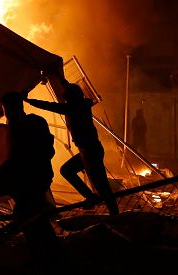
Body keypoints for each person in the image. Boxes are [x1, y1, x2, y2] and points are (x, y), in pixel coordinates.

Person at [0, 92, 61, 272]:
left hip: (27, 180)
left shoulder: (18, 128)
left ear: (7, 108)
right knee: (32, 215)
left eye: (5, 108)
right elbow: (49, 151)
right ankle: (47, 258)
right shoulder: (37, 122)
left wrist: (0, 171)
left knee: (29, 215)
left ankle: (49, 261)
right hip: (39, 178)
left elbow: (20, 159)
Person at [25, 80, 120, 216]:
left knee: (101, 186)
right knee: (68, 171)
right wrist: (60, 79)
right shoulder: (84, 103)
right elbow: (68, 93)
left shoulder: (72, 108)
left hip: (89, 152)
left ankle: (114, 214)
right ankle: (94, 199)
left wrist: (28, 101)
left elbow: (49, 106)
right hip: (89, 150)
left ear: (69, 98)